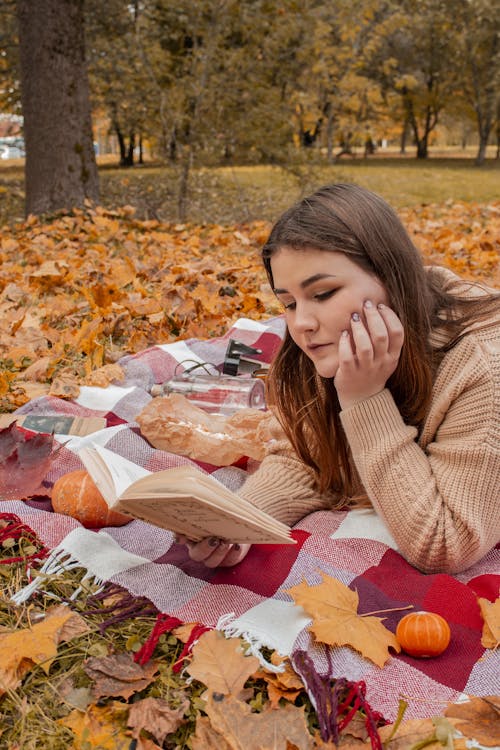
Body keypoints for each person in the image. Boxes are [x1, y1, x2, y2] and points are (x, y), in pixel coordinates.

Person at [179, 183, 500, 573]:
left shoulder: (483, 366)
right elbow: (311, 456)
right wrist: (243, 519)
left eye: (324, 293)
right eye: (289, 303)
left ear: (390, 276)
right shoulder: (334, 342)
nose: (302, 323)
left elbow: (444, 543)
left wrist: (364, 399)